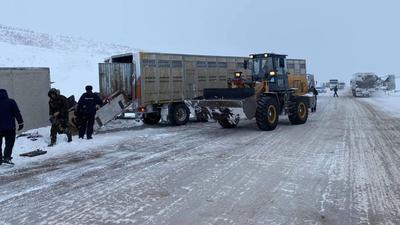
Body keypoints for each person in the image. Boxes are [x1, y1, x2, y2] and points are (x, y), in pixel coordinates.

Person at [0, 89, 24, 165]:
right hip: (10, 128)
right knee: (9, 143)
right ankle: (7, 158)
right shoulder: (11, 102)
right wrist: (20, 123)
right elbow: (17, 113)